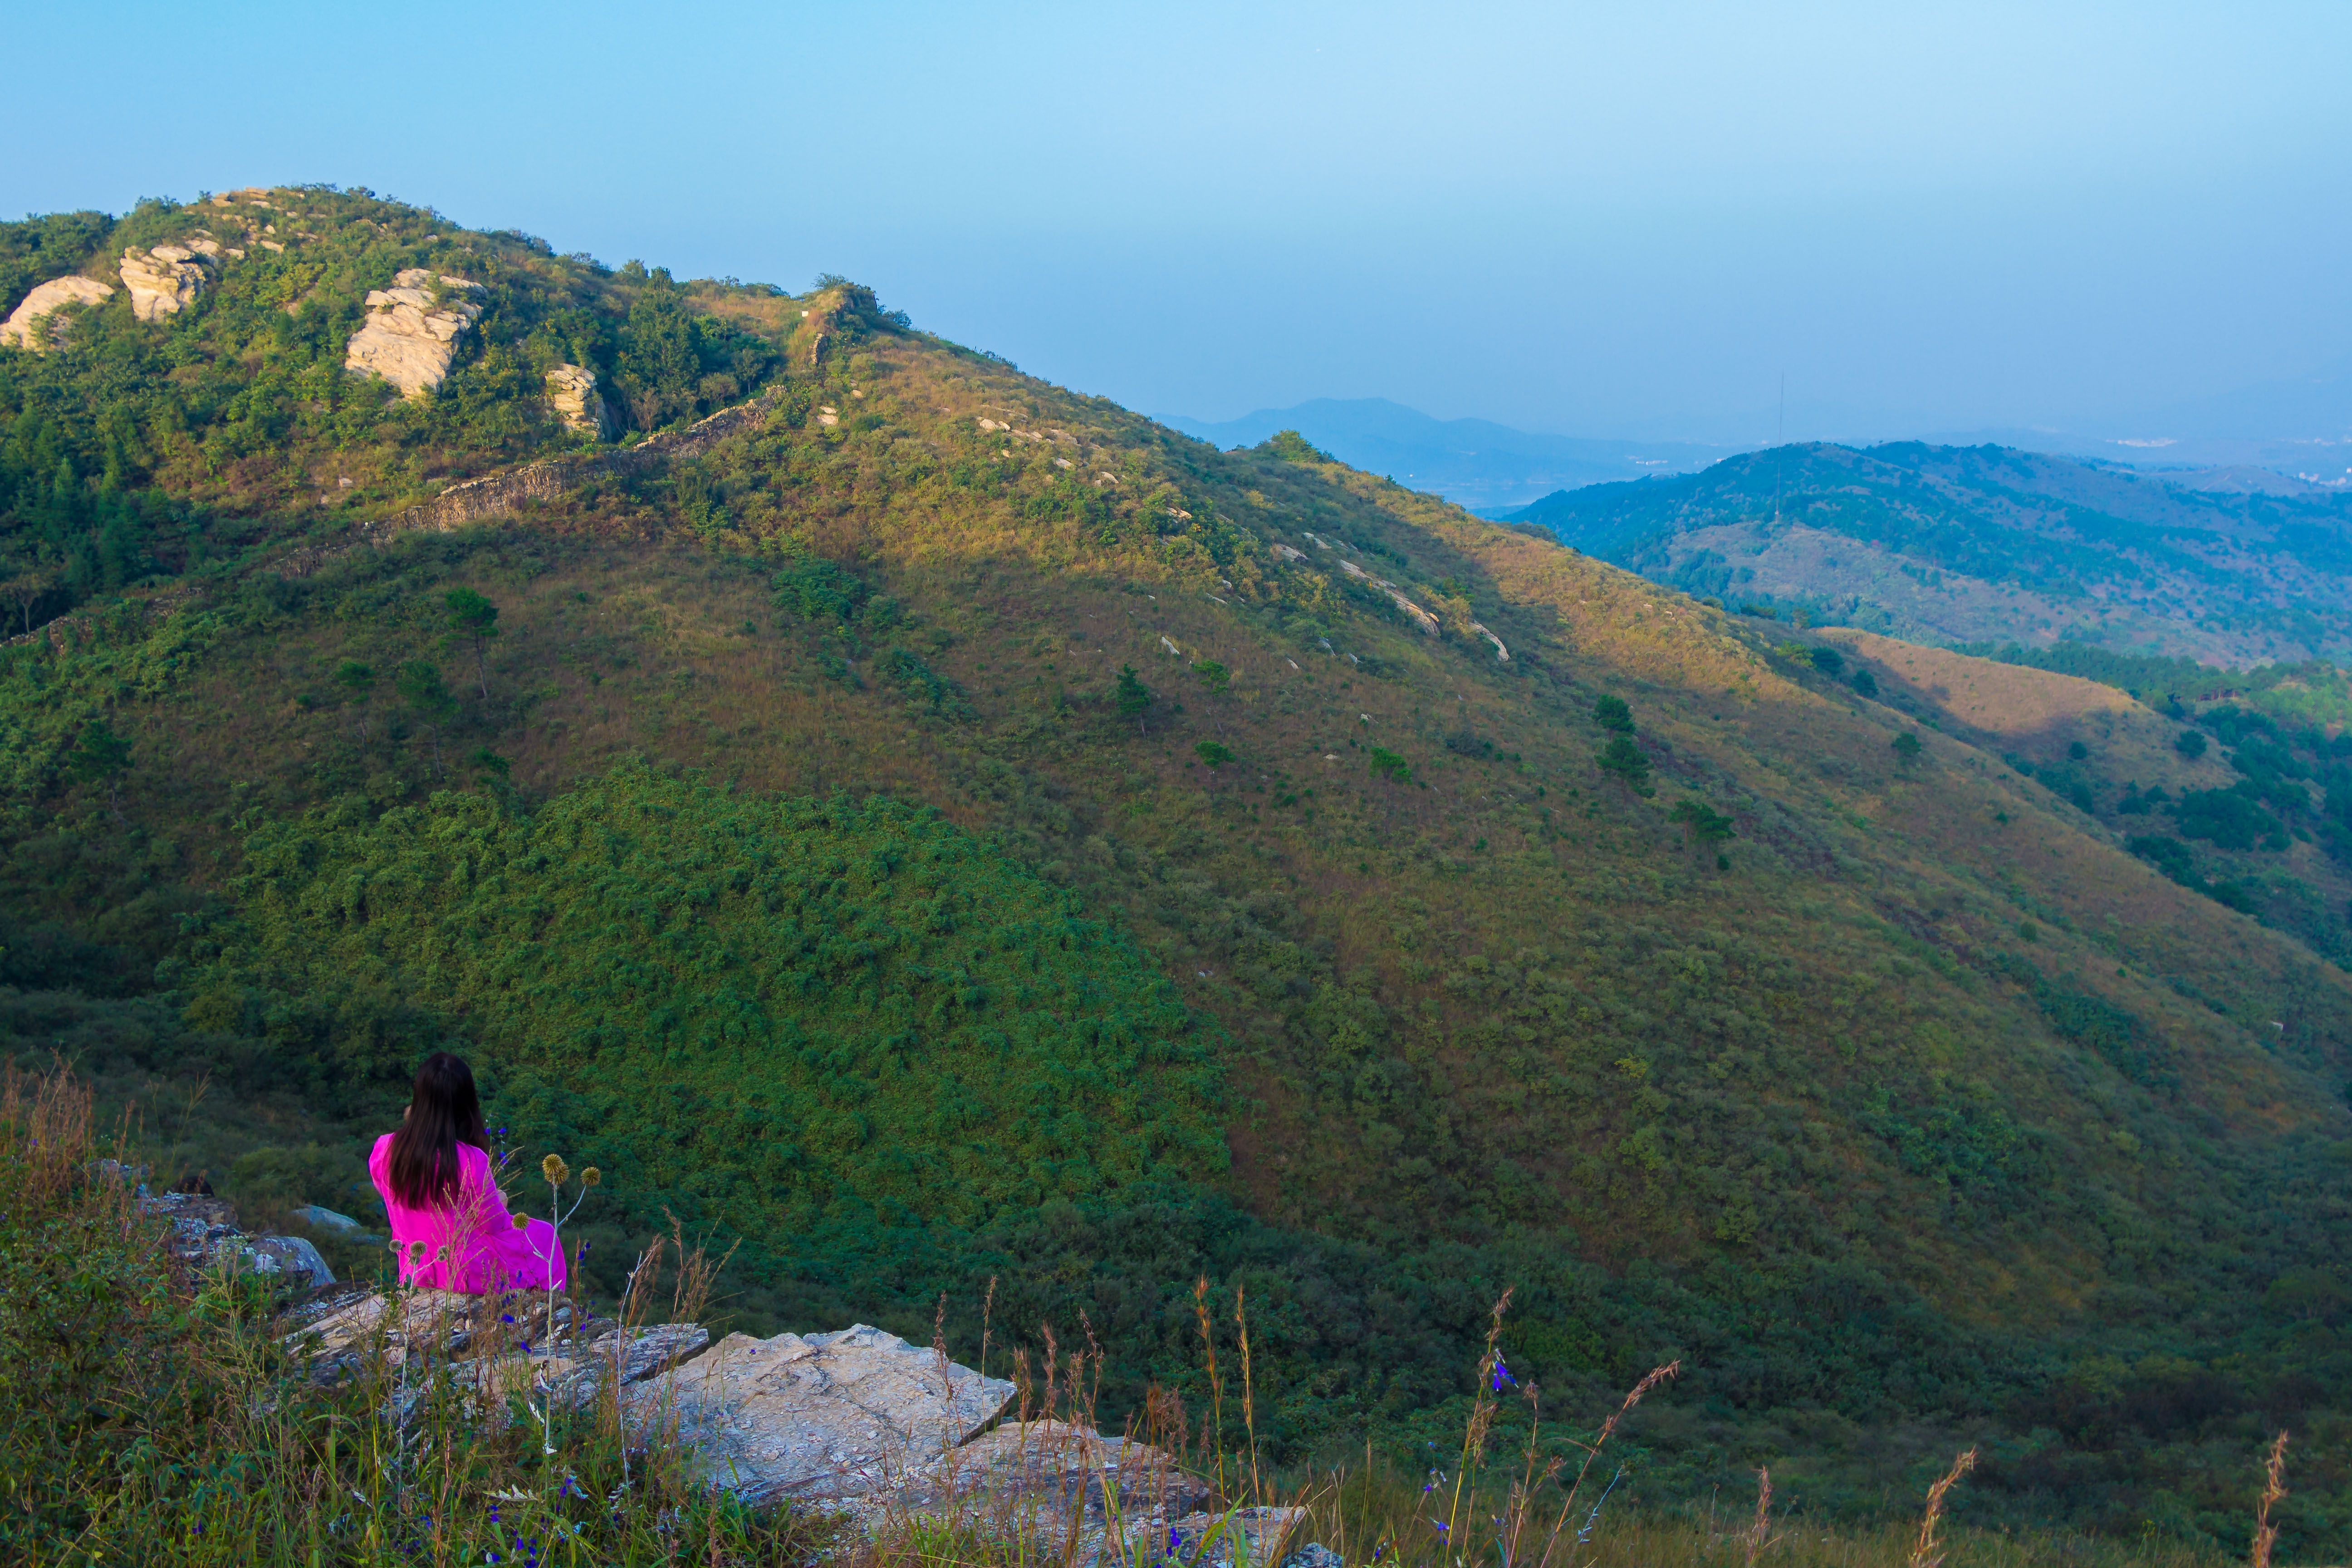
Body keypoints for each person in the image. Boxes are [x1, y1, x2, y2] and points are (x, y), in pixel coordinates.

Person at [369, 1052, 565, 1294]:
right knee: (546, 1236)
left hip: (415, 1267)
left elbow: (388, 1193)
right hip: (462, 1270)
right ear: (465, 1104)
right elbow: (494, 1225)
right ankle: (543, 1311)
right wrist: (501, 1201)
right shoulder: (471, 1160)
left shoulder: (385, 1147)